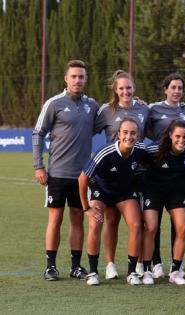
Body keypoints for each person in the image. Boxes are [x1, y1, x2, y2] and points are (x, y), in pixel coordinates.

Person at [33, 60, 100, 281]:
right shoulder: (54, 103)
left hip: (82, 176)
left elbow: (108, 117)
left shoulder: (92, 106)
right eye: (74, 76)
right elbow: (38, 133)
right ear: (66, 78)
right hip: (58, 174)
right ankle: (50, 266)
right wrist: (39, 165)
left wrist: (130, 103)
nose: (77, 80)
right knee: (55, 218)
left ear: (85, 79)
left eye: (81, 76)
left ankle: (76, 266)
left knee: (77, 219)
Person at [93, 70, 149, 281]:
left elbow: (154, 133)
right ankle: (110, 264)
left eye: (129, 87)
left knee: (139, 221)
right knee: (112, 221)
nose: (125, 91)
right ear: (115, 91)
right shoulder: (106, 110)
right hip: (109, 173)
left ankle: (139, 264)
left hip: (134, 172)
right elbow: (88, 129)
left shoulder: (144, 108)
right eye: (121, 88)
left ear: (134, 89)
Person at [78, 118, 147, 286]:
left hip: (124, 192)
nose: (129, 137)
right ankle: (93, 272)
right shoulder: (105, 152)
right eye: (125, 133)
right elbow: (82, 179)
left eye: (133, 133)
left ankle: (132, 273)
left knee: (136, 225)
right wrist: (86, 207)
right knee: (95, 224)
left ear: (137, 136)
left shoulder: (141, 150)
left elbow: (161, 149)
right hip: (100, 191)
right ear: (118, 134)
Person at [140, 120, 185, 285]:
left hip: (176, 193)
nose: (182, 140)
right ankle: (146, 271)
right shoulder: (153, 149)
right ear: (170, 135)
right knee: (151, 228)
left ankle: (175, 272)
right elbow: (135, 156)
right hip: (153, 191)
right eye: (178, 136)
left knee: (183, 227)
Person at [144, 73, 185, 278]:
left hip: (176, 172)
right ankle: (154, 263)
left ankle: (175, 268)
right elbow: (142, 128)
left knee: (179, 224)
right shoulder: (153, 108)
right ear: (165, 89)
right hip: (156, 166)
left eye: (180, 88)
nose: (177, 91)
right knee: (153, 225)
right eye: (173, 87)